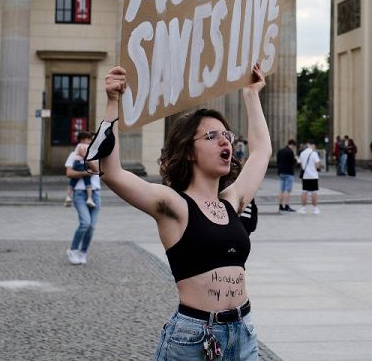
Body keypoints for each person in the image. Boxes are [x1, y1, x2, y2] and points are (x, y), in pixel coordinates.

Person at [89, 64, 268, 360]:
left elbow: (261, 152)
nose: (225, 141)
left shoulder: (232, 201)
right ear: (188, 151)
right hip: (195, 339)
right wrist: (112, 102)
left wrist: (251, 95)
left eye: (226, 135)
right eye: (212, 136)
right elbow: (113, 173)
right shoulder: (174, 206)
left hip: (243, 333)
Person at [65, 130, 100, 264]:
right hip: (79, 193)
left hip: (95, 193)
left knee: (91, 226)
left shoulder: (96, 154)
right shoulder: (73, 155)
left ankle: (83, 251)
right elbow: (69, 173)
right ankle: (73, 250)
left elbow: (96, 169)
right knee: (85, 223)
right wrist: (86, 173)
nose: (89, 142)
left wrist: (86, 156)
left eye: (90, 140)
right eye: (87, 140)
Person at [65, 134, 96, 209]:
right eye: (89, 139)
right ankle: (89, 198)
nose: (91, 141)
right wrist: (86, 173)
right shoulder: (85, 147)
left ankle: (68, 196)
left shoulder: (78, 146)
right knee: (87, 182)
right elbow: (87, 156)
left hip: (78, 164)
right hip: (82, 163)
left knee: (72, 182)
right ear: (83, 140)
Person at [298, 141, 322, 214]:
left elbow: (301, 165)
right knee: (314, 192)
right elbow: (317, 165)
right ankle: (315, 209)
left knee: (304, 192)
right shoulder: (314, 153)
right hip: (313, 176)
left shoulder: (302, 153)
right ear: (312, 145)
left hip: (305, 176)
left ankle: (303, 208)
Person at [276, 139, 298, 213]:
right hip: (289, 173)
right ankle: (286, 206)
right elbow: (292, 162)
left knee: (281, 190)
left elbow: (278, 162)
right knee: (287, 190)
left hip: (281, 172)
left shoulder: (280, 151)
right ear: (292, 145)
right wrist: (296, 160)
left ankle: (280, 206)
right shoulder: (290, 152)